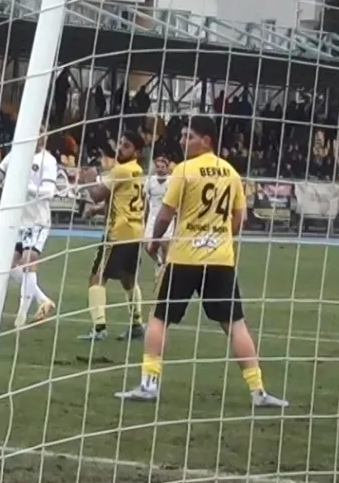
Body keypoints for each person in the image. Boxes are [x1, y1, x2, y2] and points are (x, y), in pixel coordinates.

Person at [115, 116, 287, 407]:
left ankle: (149, 385)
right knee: (235, 324)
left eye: (189, 136)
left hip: (184, 257)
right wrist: (219, 236)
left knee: (159, 318)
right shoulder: (231, 172)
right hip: (220, 259)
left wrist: (154, 241)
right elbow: (239, 219)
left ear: (206, 140)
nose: (183, 141)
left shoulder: (184, 170)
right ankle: (258, 390)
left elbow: (166, 214)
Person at [0, 129, 60, 327]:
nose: (40, 137)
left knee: (28, 261)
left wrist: (21, 185)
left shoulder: (48, 161)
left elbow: (48, 192)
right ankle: (43, 300)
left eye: (42, 133)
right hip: (18, 220)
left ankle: (21, 316)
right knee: (7, 266)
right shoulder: (15, 155)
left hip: (37, 220)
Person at [77, 131, 147, 342]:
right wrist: (97, 211)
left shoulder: (121, 170)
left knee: (97, 278)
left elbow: (97, 194)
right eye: (120, 144)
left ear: (136, 152)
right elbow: (120, 201)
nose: (120, 149)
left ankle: (99, 328)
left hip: (118, 233)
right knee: (128, 280)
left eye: (126, 146)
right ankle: (137, 324)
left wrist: (89, 180)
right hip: (136, 233)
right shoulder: (138, 171)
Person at [143, 155, 174, 267]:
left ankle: (165, 268)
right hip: (152, 217)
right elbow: (145, 199)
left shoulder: (172, 181)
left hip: (166, 216)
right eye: (158, 167)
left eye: (162, 167)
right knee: (147, 246)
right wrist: (144, 217)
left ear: (167, 168)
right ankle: (159, 263)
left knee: (165, 245)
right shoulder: (150, 181)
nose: (160, 169)